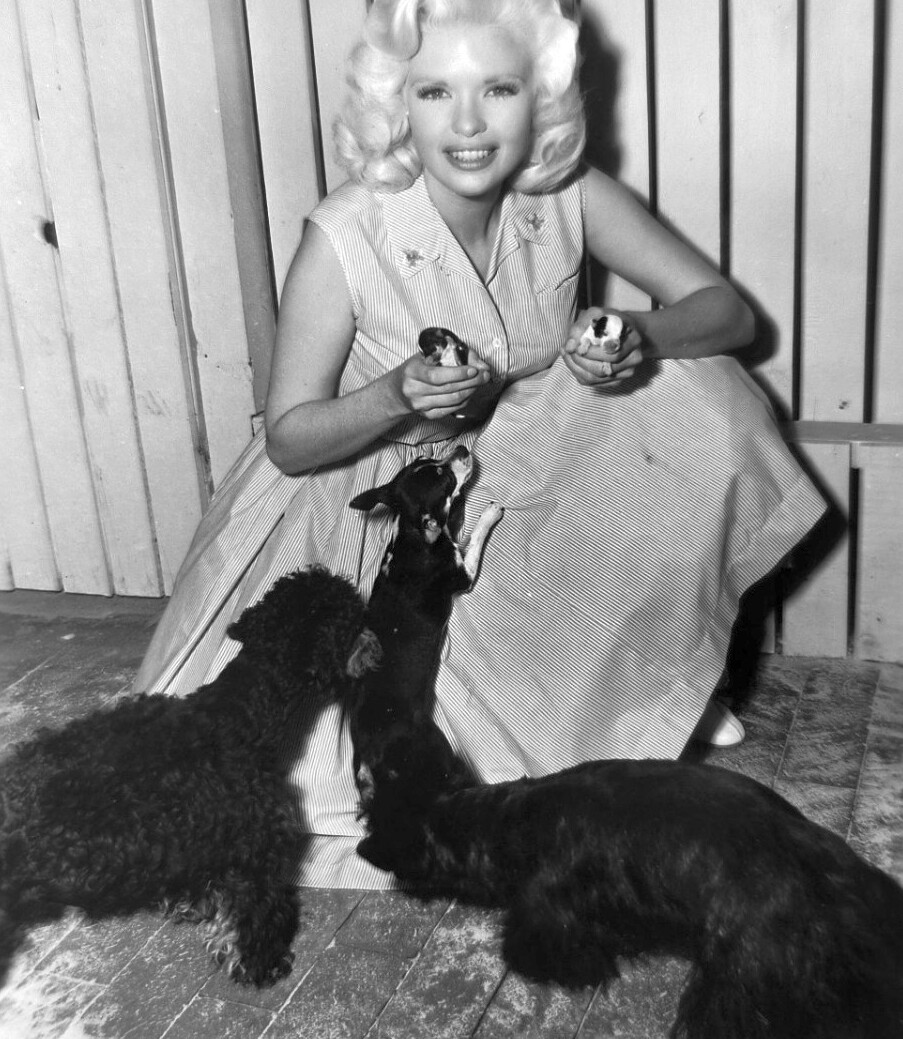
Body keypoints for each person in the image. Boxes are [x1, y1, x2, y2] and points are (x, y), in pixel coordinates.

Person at [135, 0, 826, 888]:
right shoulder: (346, 233)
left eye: (497, 89)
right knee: (319, 779)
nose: (467, 124)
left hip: (513, 462)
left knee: (701, 394)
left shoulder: (566, 193)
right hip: (364, 504)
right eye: (435, 92)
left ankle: (659, 684)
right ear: (395, 104)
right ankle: (584, 710)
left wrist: (635, 336)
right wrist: (390, 395)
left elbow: (725, 312)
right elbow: (291, 441)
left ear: (542, 99)